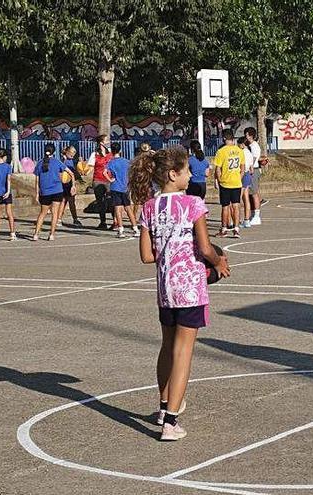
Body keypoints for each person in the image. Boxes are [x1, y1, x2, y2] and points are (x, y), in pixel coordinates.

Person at [130, 146, 231, 441]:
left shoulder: (149, 207)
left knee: (167, 346)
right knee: (184, 351)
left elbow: (147, 257)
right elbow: (205, 247)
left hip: (165, 288)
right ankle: (171, 422)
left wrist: (170, 254)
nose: (191, 174)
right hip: (189, 288)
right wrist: (218, 262)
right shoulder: (193, 204)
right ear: (173, 175)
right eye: (187, 170)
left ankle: (163, 407)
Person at [31, 144, 72, 241]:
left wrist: (37, 193)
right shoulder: (57, 162)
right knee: (55, 213)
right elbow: (70, 172)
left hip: (44, 191)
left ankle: (36, 234)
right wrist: (71, 182)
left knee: (42, 213)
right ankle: (51, 234)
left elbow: (37, 180)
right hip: (57, 190)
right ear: (53, 152)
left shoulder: (40, 163)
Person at [212, 129, 244, 237]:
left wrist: (219, 179)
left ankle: (224, 229)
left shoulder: (221, 151)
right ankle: (236, 229)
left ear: (224, 138)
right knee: (236, 205)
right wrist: (240, 177)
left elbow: (217, 169)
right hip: (236, 182)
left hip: (225, 183)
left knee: (225, 206)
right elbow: (243, 167)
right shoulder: (239, 150)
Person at [103, 143, 139, 238]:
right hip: (125, 187)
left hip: (115, 187)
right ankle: (135, 228)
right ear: (120, 151)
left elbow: (104, 172)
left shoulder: (111, 162)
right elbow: (132, 172)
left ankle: (121, 229)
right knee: (128, 208)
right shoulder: (127, 162)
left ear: (112, 152)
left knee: (118, 209)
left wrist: (110, 179)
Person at [88, 135, 113, 229]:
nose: (108, 141)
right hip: (98, 180)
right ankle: (103, 222)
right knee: (100, 202)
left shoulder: (110, 152)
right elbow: (90, 167)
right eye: (106, 140)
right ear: (101, 142)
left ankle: (115, 222)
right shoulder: (94, 154)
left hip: (109, 180)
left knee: (111, 201)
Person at [57, 145, 83, 227]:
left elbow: (76, 171)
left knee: (70, 202)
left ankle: (73, 219)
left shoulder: (73, 161)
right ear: (67, 152)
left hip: (71, 183)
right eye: (72, 152)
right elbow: (62, 173)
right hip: (66, 183)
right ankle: (60, 219)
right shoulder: (63, 161)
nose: (73, 154)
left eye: (74, 152)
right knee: (64, 201)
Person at [244, 127, 265, 225]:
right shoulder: (250, 145)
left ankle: (257, 216)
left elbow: (253, 159)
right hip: (250, 170)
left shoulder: (254, 146)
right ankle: (253, 214)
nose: (246, 136)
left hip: (254, 170)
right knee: (250, 193)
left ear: (250, 135)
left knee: (254, 193)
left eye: (247, 134)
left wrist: (248, 166)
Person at [237, 137, 253, 227]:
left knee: (238, 198)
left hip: (242, 174)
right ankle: (247, 219)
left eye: (239, 144)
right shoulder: (250, 153)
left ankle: (237, 219)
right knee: (246, 198)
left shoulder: (241, 152)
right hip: (247, 175)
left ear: (242, 144)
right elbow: (251, 168)